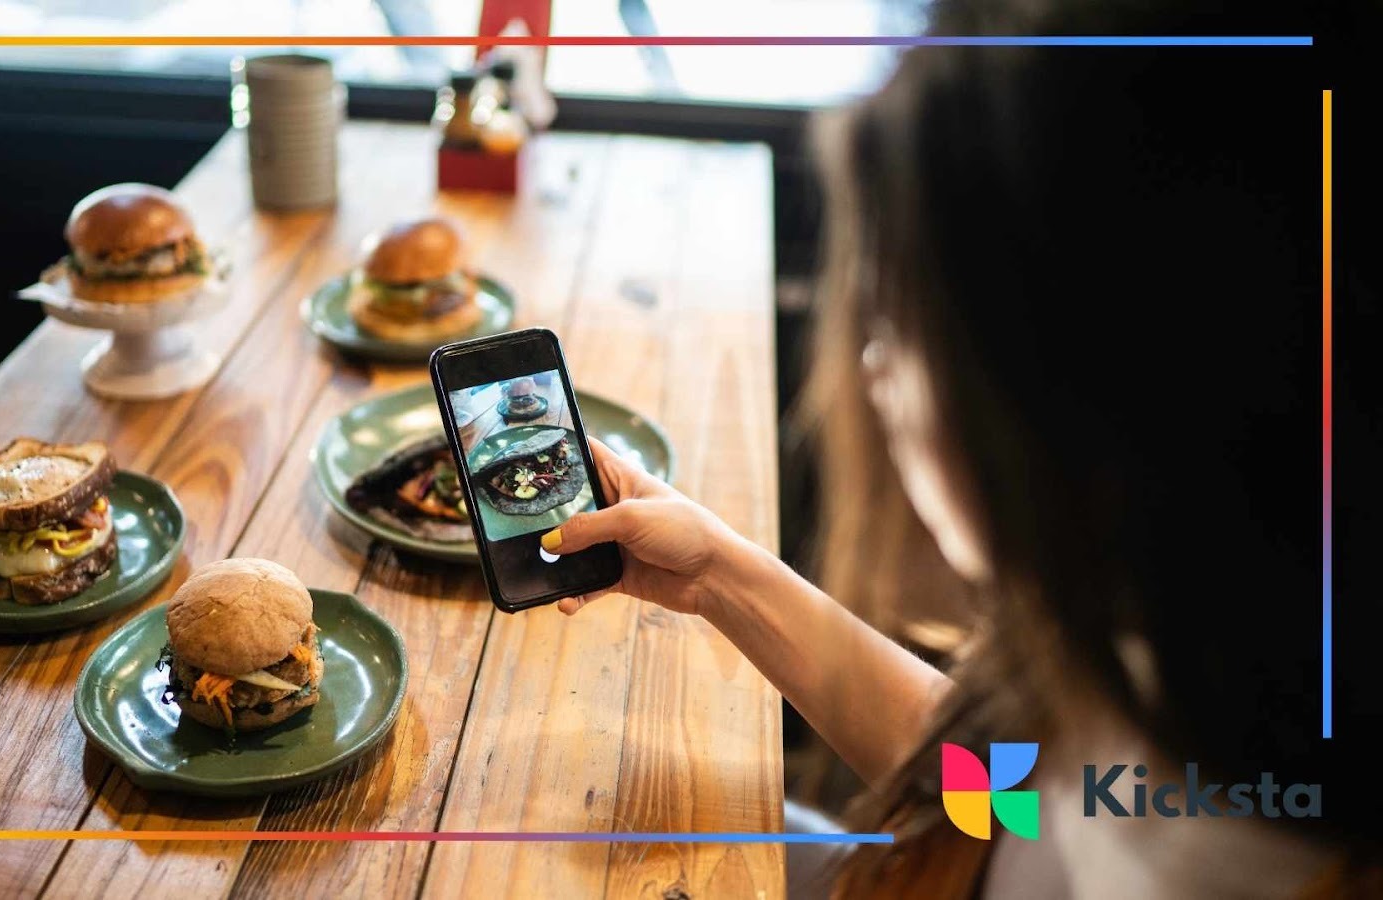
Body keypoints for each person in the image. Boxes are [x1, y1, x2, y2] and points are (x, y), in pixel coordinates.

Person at [539, 1, 1372, 896]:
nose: (873, 365)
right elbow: (1009, 802)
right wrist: (722, 574)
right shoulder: (1198, 665)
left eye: (902, 316)